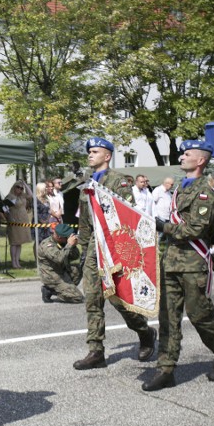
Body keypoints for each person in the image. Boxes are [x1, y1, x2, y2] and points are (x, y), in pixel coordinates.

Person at [143, 140, 214, 391]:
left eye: (187, 154)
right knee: (168, 318)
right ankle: (166, 368)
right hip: (171, 261)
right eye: (182, 153)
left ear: (201, 160)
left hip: (194, 264)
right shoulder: (179, 189)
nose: (182, 157)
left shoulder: (205, 191)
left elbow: (195, 229)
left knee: (200, 316)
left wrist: (163, 226)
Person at [73, 137, 156, 370]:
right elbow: (85, 220)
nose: (90, 155)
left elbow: (126, 215)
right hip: (93, 249)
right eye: (89, 151)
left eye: (95, 151)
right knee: (92, 298)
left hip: (113, 248)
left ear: (107, 156)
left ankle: (145, 332)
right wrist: (85, 246)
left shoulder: (118, 181)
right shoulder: (88, 182)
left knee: (118, 300)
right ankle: (96, 350)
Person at [38, 223, 83, 304]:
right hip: (51, 275)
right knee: (77, 298)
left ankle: (66, 289)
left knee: (77, 268)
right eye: (67, 237)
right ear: (59, 237)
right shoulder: (47, 245)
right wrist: (69, 245)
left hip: (62, 271)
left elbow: (75, 257)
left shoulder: (62, 242)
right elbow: (59, 259)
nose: (69, 238)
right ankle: (51, 290)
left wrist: (73, 246)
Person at [4, 180, 32, 269]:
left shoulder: (22, 196)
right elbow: (5, 209)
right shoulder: (9, 196)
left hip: (23, 221)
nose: (20, 189)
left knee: (20, 242)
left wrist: (25, 184)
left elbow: (31, 195)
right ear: (14, 187)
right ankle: (13, 262)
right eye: (18, 187)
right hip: (14, 221)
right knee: (14, 242)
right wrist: (8, 218)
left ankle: (17, 262)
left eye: (21, 188)